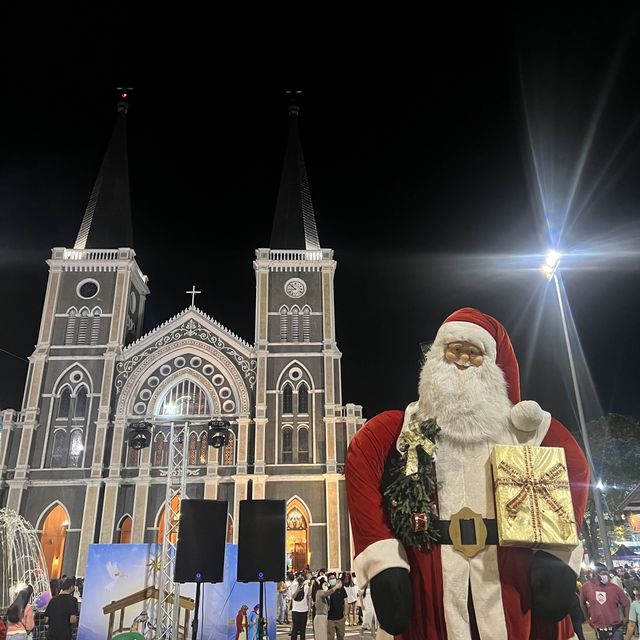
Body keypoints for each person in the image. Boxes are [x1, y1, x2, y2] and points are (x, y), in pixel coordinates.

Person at [345, 307, 591, 639]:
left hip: (509, 575)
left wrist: (556, 557)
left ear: (493, 364)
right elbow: (363, 459)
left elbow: (574, 468)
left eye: (474, 353)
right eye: (454, 350)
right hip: (433, 575)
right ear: (436, 358)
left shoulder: (522, 427)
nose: (462, 359)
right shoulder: (408, 427)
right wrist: (384, 562)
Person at [580, 564, 630, 640]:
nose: (606, 576)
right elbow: (582, 603)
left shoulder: (614, 587)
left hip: (616, 627)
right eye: (603, 574)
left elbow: (626, 602)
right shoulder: (586, 587)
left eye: (606, 574)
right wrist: (587, 618)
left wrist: (626, 618)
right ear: (596, 574)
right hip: (599, 627)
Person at [314, 574, 342, 640]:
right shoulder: (319, 592)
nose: (326, 586)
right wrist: (336, 587)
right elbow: (327, 593)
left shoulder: (323, 593)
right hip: (320, 617)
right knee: (322, 637)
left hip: (323, 617)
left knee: (322, 636)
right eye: (325, 585)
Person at [326, 574, 347, 640]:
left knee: (341, 636)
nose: (332, 580)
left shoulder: (341, 589)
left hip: (340, 618)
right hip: (330, 619)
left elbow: (346, 601)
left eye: (333, 578)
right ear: (328, 581)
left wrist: (346, 613)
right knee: (330, 637)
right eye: (330, 579)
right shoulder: (327, 590)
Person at [290, 575, 310, 640]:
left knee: (303, 630)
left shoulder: (307, 587)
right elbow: (293, 596)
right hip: (295, 610)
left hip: (304, 610)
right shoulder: (294, 586)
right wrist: (298, 589)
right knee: (294, 629)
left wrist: (309, 610)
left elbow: (308, 599)